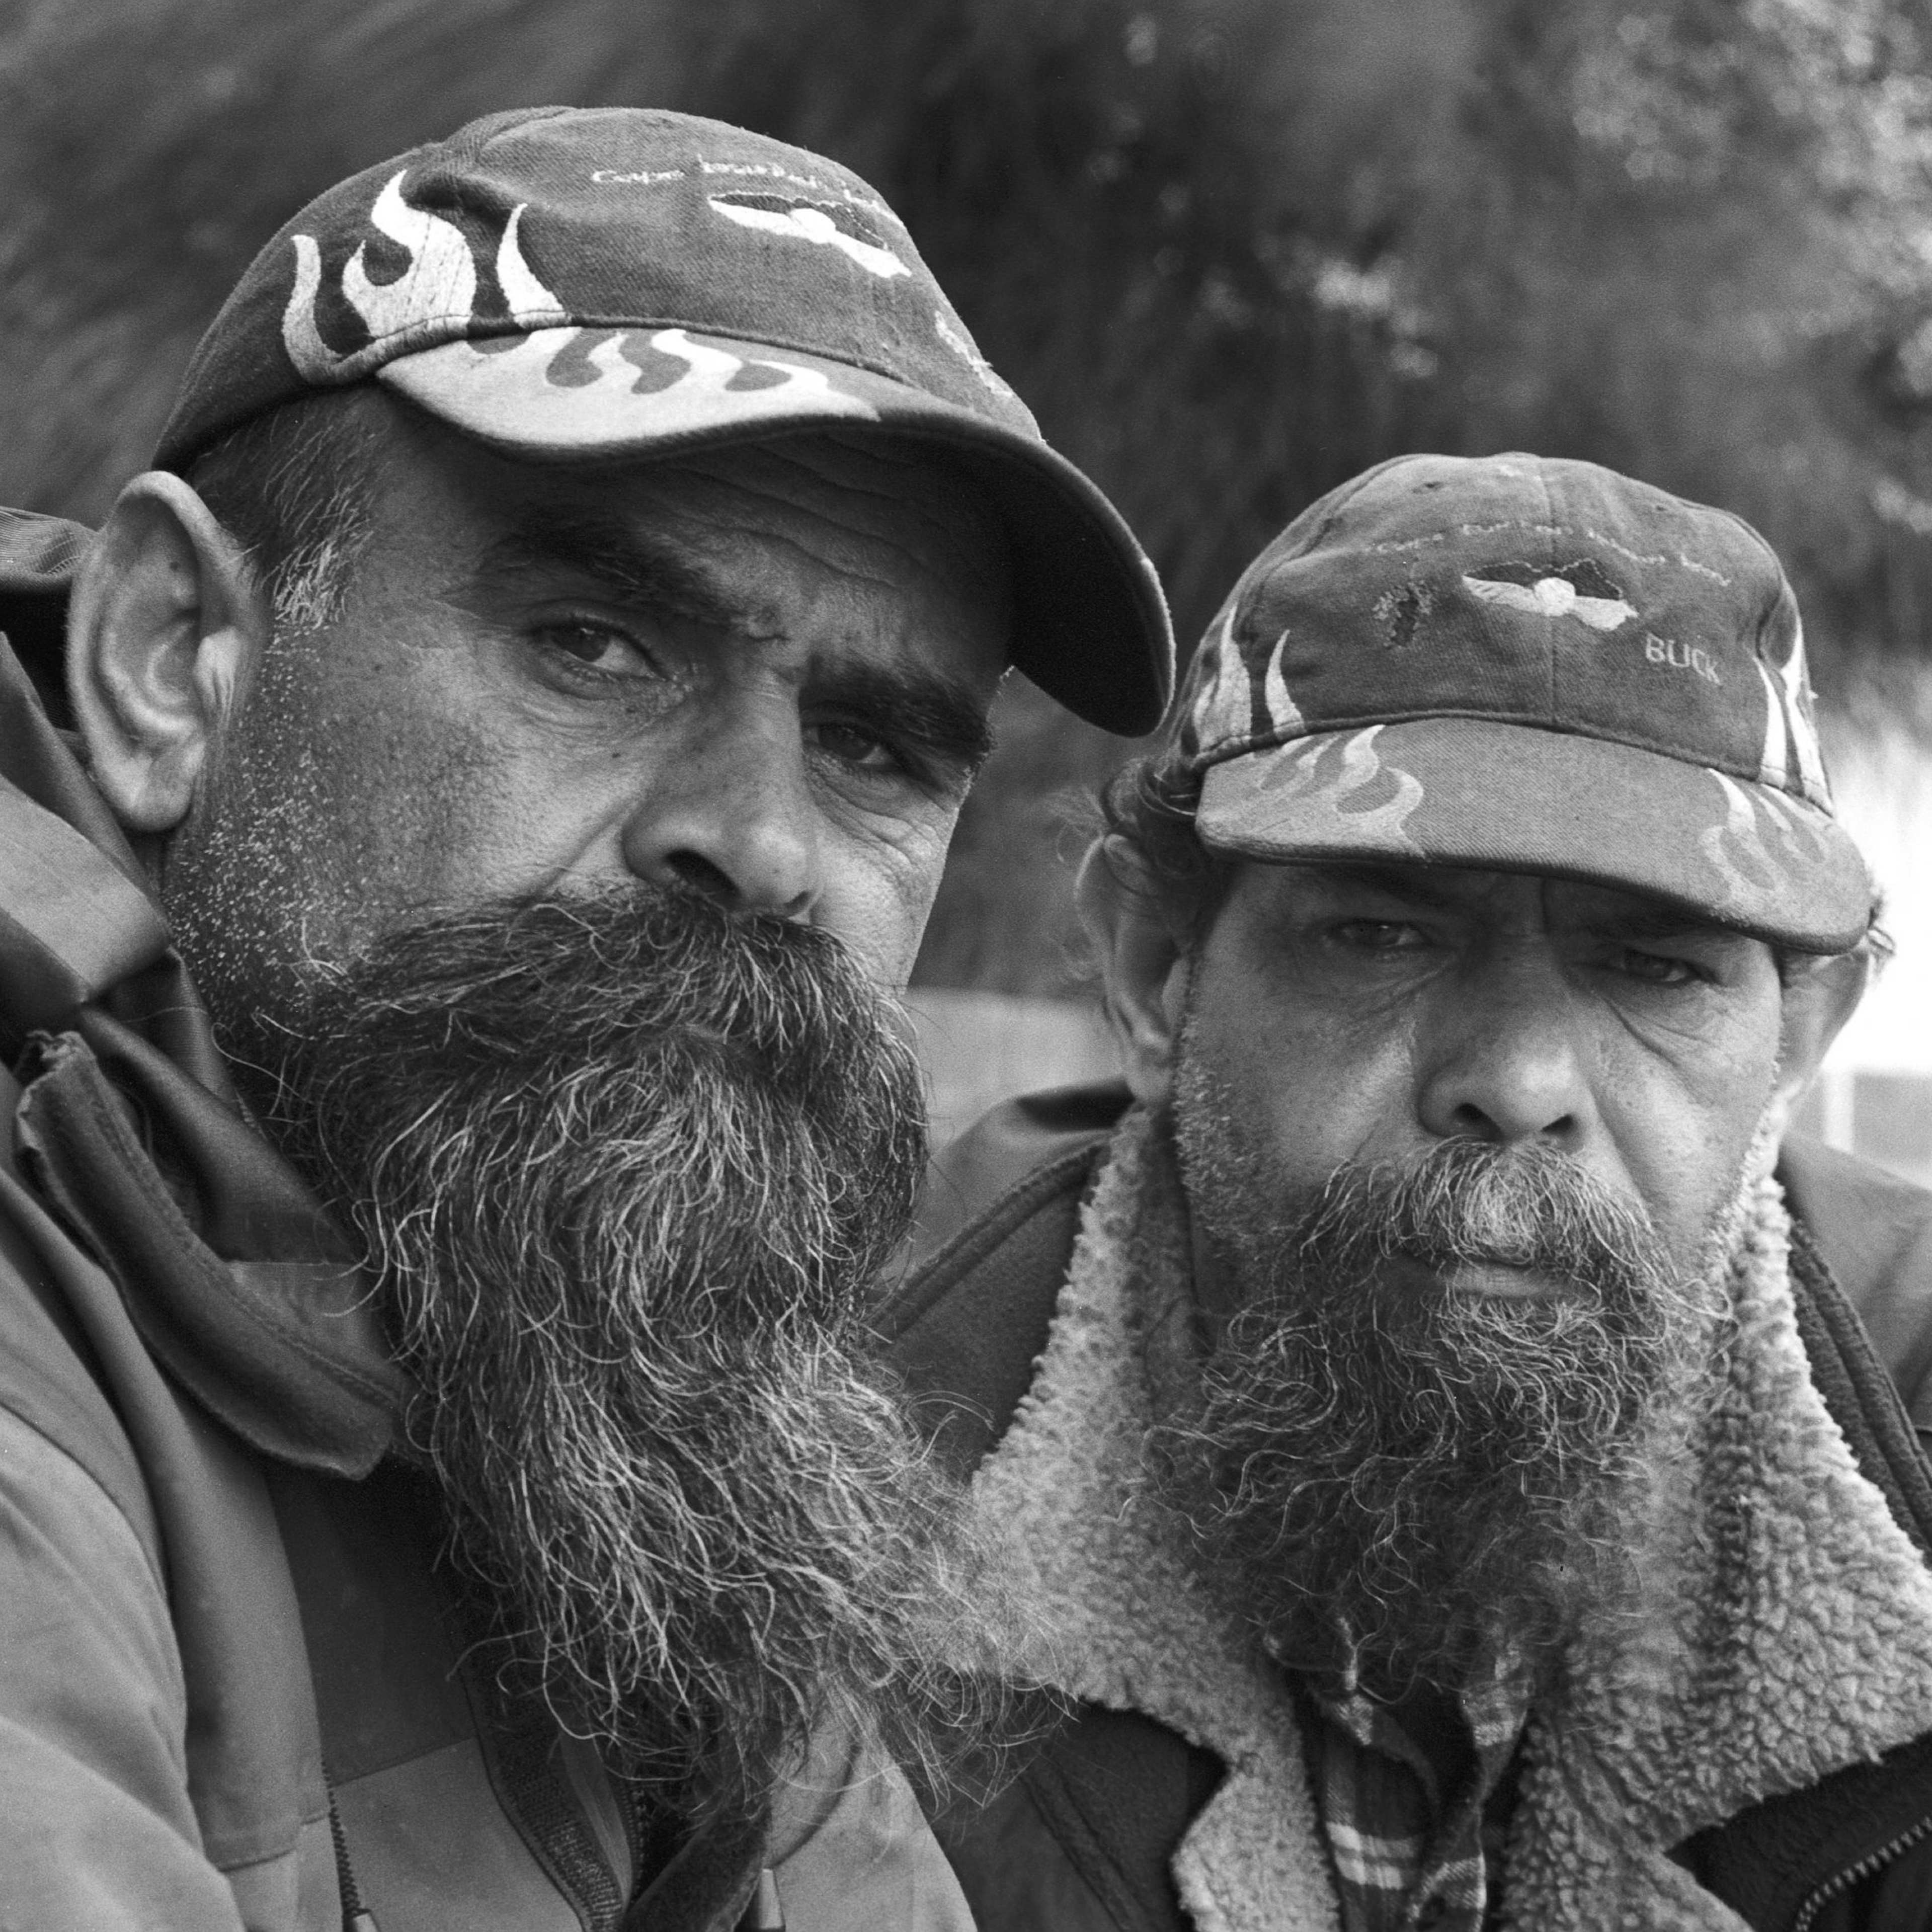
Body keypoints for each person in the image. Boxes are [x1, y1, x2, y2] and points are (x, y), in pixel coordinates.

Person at [0, 106, 1173, 1931]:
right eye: (593, 645)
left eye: (872, 745)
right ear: (172, 663)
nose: (765, 843)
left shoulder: (634, 1363)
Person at [886, 453, 1932, 1932]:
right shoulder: (832, 1443)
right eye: (1383, 933)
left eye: (1657, 967)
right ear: (1155, 977)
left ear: (1793, 1056)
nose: (1514, 1080)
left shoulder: (1915, 1455)